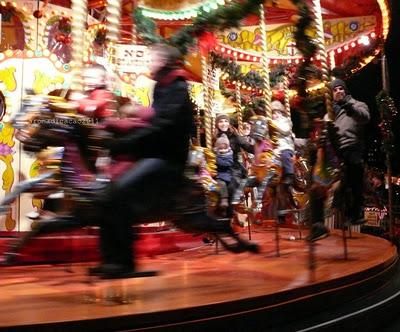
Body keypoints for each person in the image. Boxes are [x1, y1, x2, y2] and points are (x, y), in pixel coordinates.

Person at [92, 43, 196, 278]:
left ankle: (124, 262)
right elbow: (154, 123)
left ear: (162, 61)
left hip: (168, 158)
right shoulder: (162, 86)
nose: (149, 63)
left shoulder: (176, 87)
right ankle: (110, 258)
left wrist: (125, 143)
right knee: (107, 194)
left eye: (151, 59)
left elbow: (163, 127)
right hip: (156, 152)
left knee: (118, 192)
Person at [307, 78, 370, 242]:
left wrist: (348, 106)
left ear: (346, 91)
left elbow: (364, 117)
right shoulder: (329, 114)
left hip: (349, 146)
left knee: (355, 165)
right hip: (331, 153)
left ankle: (356, 211)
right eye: (335, 90)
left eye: (341, 88)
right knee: (315, 185)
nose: (338, 91)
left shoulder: (357, 104)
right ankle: (318, 224)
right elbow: (323, 136)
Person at [213, 114, 254, 218]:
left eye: (225, 121)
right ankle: (220, 210)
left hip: (233, 166)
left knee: (232, 184)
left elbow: (247, 146)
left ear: (229, 123)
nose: (223, 124)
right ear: (217, 124)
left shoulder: (235, 136)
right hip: (219, 167)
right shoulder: (213, 136)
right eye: (221, 121)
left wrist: (259, 147)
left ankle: (230, 211)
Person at [214, 134, 234, 215]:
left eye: (224, 146)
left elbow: (228, 163)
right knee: (220, 184)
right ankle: (222, 204)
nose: (222, 148)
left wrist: (217, 161)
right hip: (218, 175)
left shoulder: (229, 154)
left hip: (226, 174)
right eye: (220, 147)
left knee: (226, 185)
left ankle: (225, 201)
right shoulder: (215, 153)